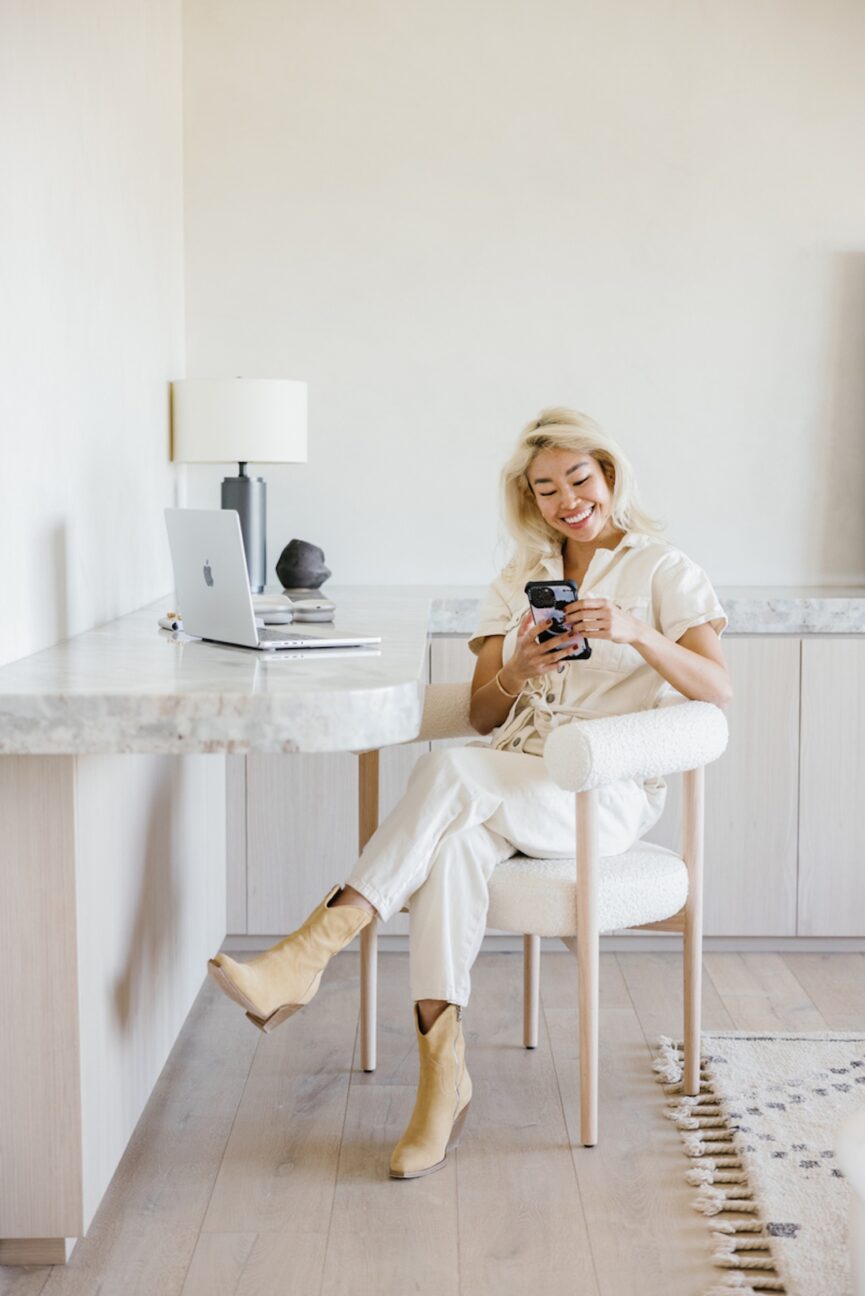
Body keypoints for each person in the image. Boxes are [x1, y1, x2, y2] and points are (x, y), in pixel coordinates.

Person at [208, 407, 732, 1180]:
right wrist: (516, 670)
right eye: (545, 487)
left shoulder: (666, 570)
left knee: (451, 770)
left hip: (599, 789)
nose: (566, 500)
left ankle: (310, 950)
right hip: (512, 774)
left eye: (578, 479)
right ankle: (440, 1082)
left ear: (609, 477)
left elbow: (717, 689)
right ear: (530, 498)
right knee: (451, 844)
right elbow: (486, 712)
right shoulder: (518, 577)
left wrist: (635, 632)